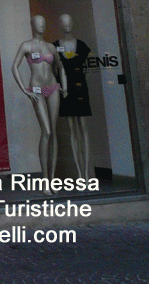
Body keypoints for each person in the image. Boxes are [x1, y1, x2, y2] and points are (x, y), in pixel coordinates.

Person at [11, 15, 66, 190]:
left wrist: (64, 87)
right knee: (47, 131)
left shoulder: (51, 47)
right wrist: (24, 90)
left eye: (43, 22)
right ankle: (45, 181)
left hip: (53, 88)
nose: (41, 25)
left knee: (54, 132)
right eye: (38, 23)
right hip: (36, 89)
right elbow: (14, 67)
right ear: (32, 25)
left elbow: (61, 67)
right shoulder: (26, 45)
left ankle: (52, 179)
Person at [54, 13, 92, 179]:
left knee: (83, 129)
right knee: (72, 131)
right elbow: (55, 68)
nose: (67, 25)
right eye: (63, 22)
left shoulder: (81, 45)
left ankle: (87, 173)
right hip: (65, 89)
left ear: (73, 23)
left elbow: (88, 67)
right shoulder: (55, 46)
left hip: (80, 88)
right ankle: (79, 173)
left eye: (69, 21)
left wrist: (82, 79)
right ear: (60, 25)